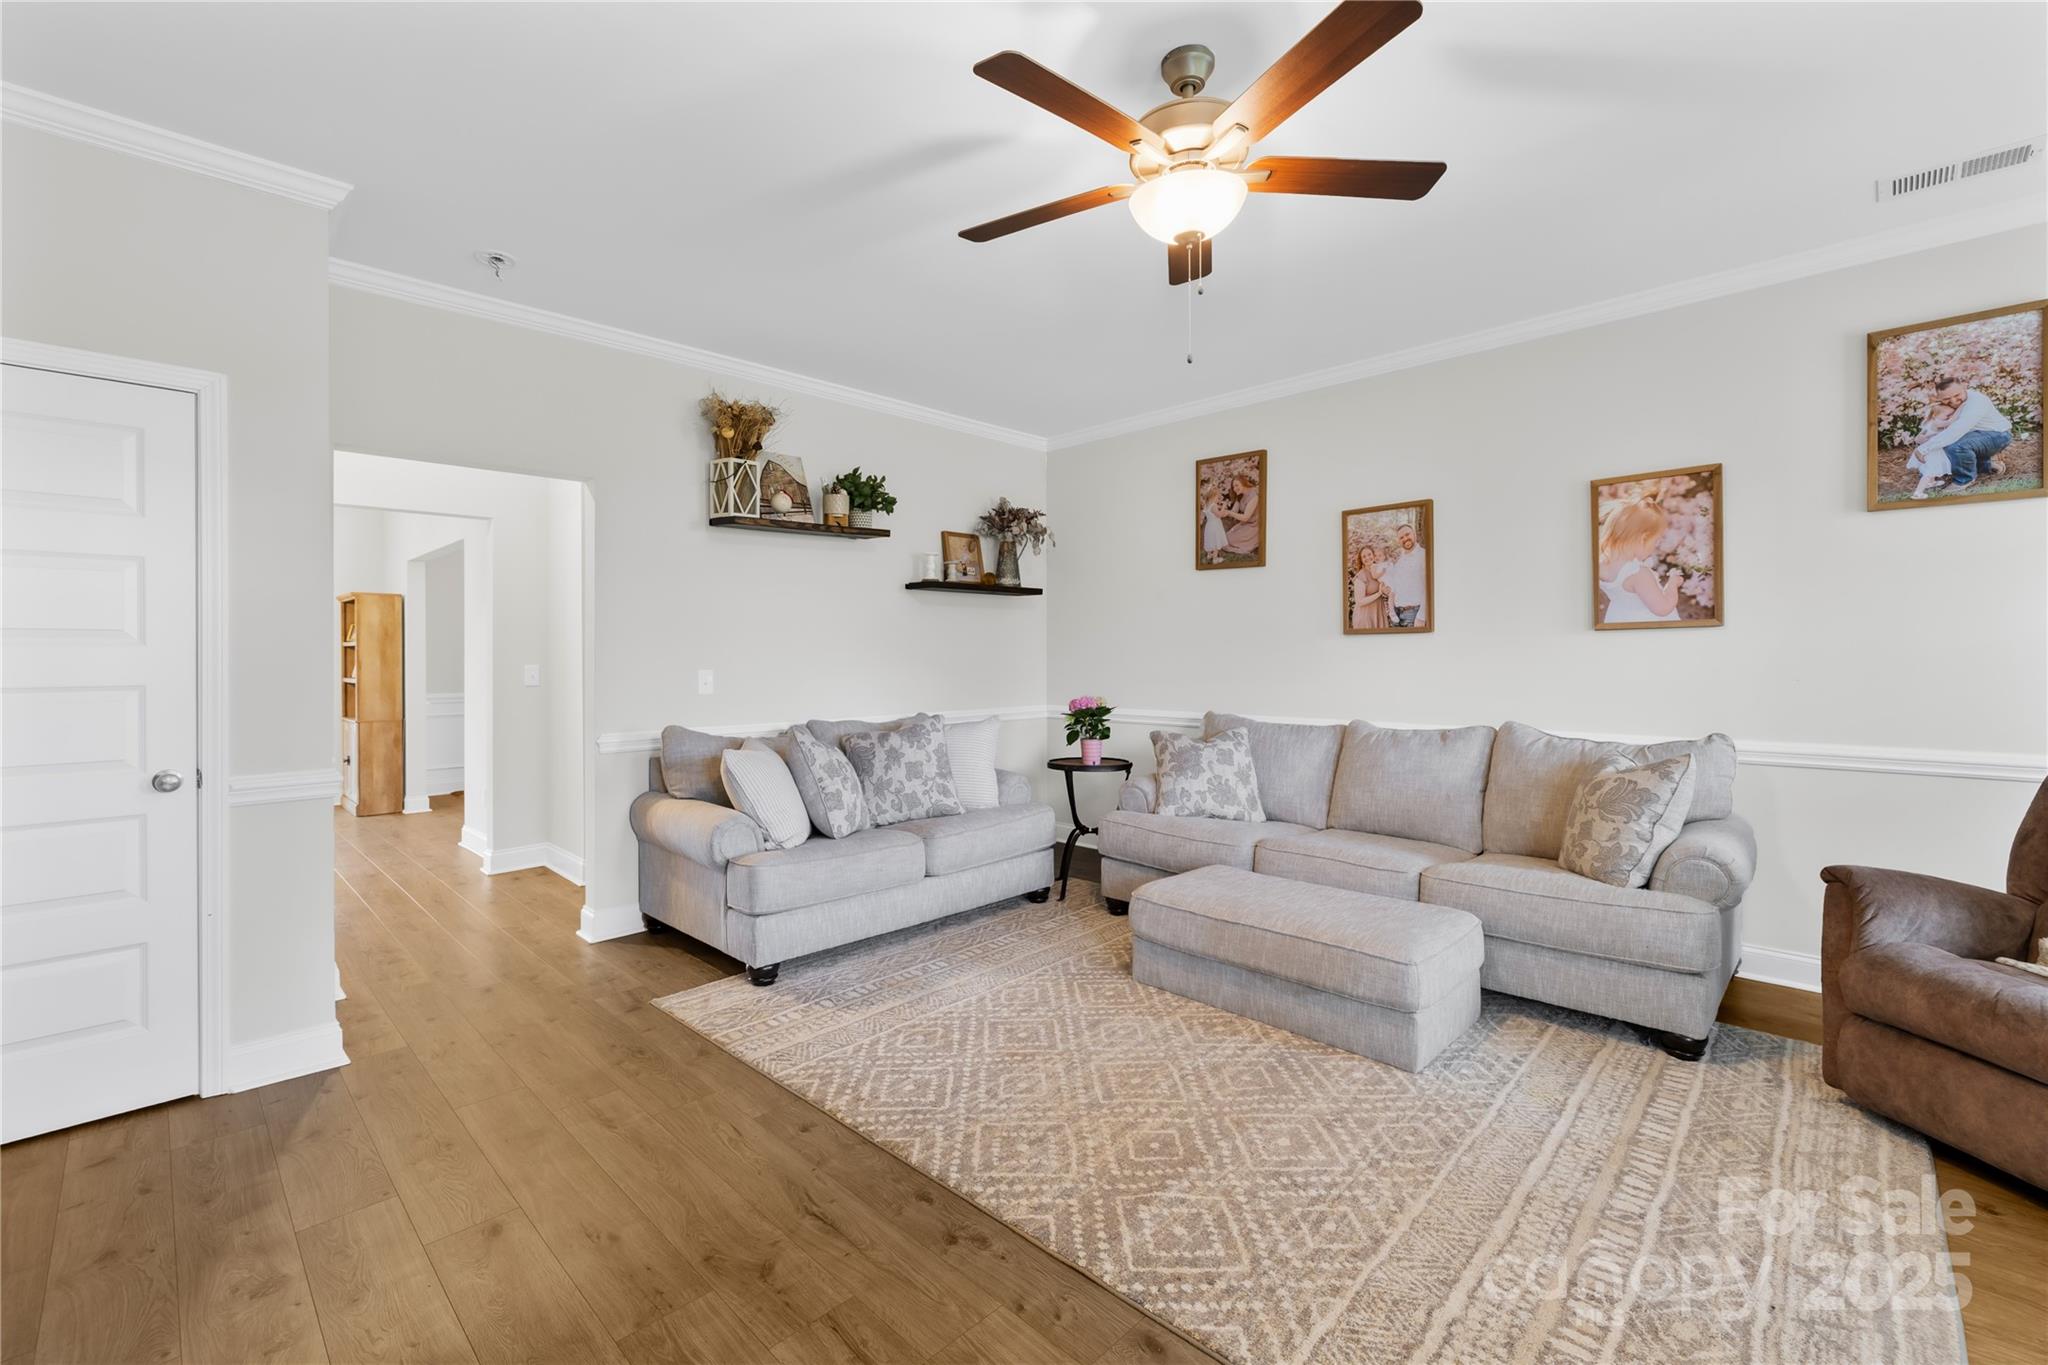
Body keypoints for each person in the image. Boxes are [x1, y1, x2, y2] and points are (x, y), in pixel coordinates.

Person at [1915, 375, 2012, 493]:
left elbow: (1956, 431)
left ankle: (1964, 480)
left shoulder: (1977, 402)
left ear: (1964, 387)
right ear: (1939, 398)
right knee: (1946, 444)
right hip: (1976, 434)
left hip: (1997, 435)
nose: (1953, 401)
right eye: (1946, 399)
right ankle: (1987, 466)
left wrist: (1925, 448)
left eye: (1957, 395)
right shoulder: (1947, 405)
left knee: (1956, 446)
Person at [1596, 497, 1684, 624]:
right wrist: (1672, 584)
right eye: (1655, 541)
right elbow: (1663, 608)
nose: (1655, 546)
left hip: (1618, 620)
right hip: (1647, 625)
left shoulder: (1601, 564)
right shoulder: (1638, 573)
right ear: (1643, 538)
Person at [1382, 522, 1428, 627]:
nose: (1405, 538)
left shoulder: (1423, 555)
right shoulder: (1400, 560)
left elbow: (1429, 588)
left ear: (1414, 534)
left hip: (1413, 614)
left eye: (1407, 534)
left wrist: (1421, 616)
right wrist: (1386, 590)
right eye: (1401, 537)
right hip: (1396, 615)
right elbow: (1396, 585)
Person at [1222, 470, 1261, 558]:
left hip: (1254, 526)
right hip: (1245, 524)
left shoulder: (1254, 496)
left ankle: (1246, 547)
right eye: (1233, 487)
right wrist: (1222, 511)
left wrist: (1229, 513)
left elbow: (1245, 518)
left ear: (1243, 483)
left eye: (1237, 485)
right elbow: (1234, 511)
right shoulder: (1240, 496)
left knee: (1228, 540)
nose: (1235, 489)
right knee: (1225, 538)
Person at [1349, 543, 1388, 631]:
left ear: (1373, 555)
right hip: (1365, 616)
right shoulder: (1361, 576)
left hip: (1378, 613)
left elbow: (1385, 588)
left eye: (1369, 554)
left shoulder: (1379, 570)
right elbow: (1360, 602)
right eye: (1364, 556)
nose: (1367, 558)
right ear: (1361, 560)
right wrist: (1379, 593)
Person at [1200, 485, 1229, 563]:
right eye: (1217, 497)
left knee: (1210, 539)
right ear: (1212, 496)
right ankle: (1215, 559)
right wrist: (1224, 506)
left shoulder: (1207, 505)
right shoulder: (1213, 505)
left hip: (1209, 525)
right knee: (1216, 541)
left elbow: (1206, 514)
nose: (1218, 499)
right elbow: (1219, 515)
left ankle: (1209, 554)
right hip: (1215, 526)